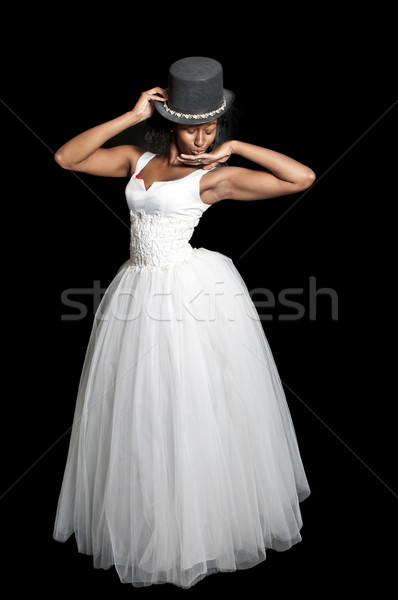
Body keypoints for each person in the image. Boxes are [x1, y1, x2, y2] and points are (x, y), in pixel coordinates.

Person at [53, 57, 314, 589]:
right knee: (139, 409)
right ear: (170, 120)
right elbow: (66, 157)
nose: (201, 137)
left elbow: (301, 177)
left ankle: (195, 530)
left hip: (185, 297)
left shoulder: (215, 178)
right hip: (136, 290)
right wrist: (129, 114)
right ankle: (149, 521)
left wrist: (235, 148)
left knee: (188, 405)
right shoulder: (136, 157)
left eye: (211, 126)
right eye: (193, 125)